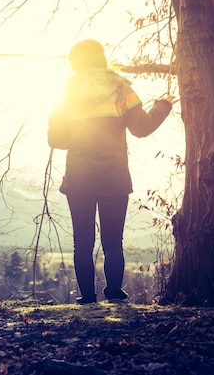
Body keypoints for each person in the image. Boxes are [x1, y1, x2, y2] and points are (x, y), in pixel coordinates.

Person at [47, 39, 177, 304]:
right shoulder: (120, 88)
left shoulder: (67, 93)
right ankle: (114, 292)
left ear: (75, 63)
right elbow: (141, 127)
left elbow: (56, 139)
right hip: (114, 177)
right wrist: (163, 104)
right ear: (101, 59)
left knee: (82, 241)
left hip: (79, 177)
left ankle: (86, 297)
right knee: (112, 240)